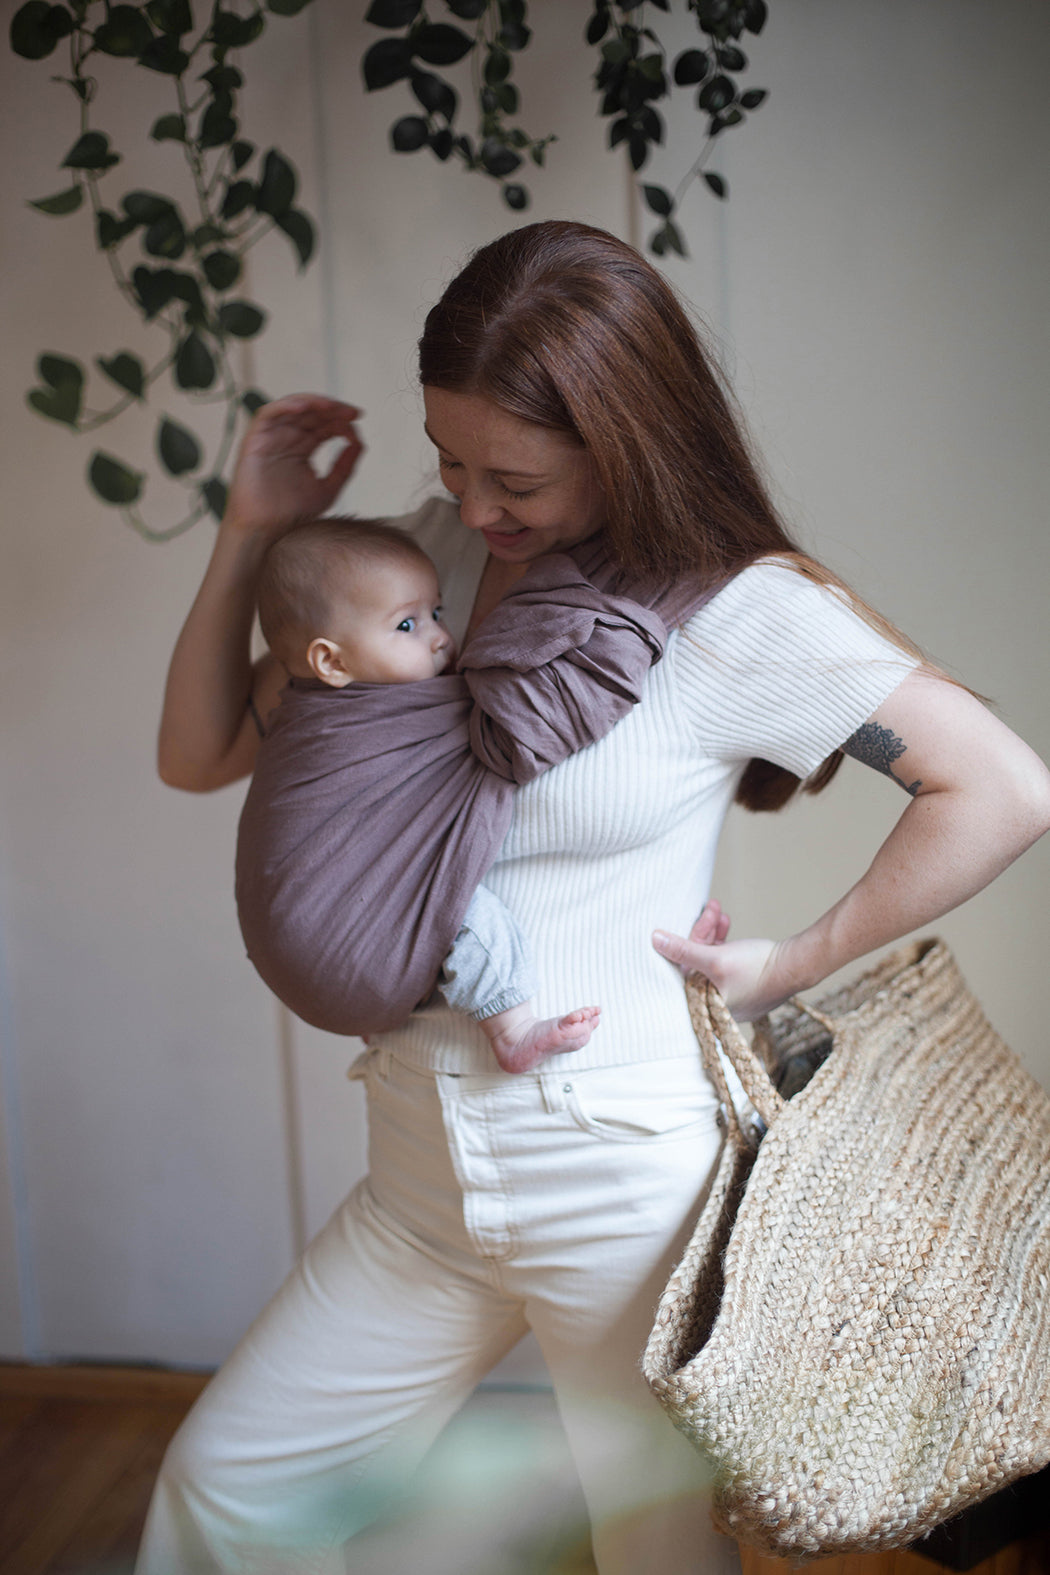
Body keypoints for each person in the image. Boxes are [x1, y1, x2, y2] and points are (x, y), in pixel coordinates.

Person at [144, 220, 1050, 1575]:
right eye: (449, 458)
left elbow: (1002, 787)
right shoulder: (419, 568)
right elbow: (202, 752)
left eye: (512, 475)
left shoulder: (733, 610)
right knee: (227, 1492)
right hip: (420, 1165)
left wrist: (792, 958)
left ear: (624, 439)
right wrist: (254, 535)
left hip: (619, 1175)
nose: (472, 502)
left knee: (653, 1555)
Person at [241, 511, 604, 1074]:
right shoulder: (328, 727)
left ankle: (375, 963)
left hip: (299, 956)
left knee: (418, 892)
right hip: (316, 931)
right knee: (460, 904)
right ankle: (511, 1029)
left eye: (435, 612)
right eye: (406, 625)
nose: (439, 635)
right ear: (330, 661)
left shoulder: (317, 708)